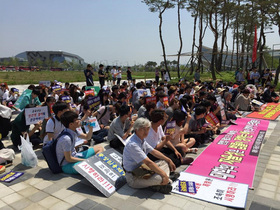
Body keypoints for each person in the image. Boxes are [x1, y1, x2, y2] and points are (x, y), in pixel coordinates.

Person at [123, 118, 176, 194]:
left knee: (164, 162)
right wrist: (163, 174)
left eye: (147, 129)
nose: (146, 131)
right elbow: (148, 162)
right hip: (134, 177)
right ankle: (165, 180)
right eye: (143, 129)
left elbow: (153, 151)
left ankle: (164, 181)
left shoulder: (141, 139)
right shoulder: (133, 144)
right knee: (159, 178)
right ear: (137, 130)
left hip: (143, 170)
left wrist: (168, 160)